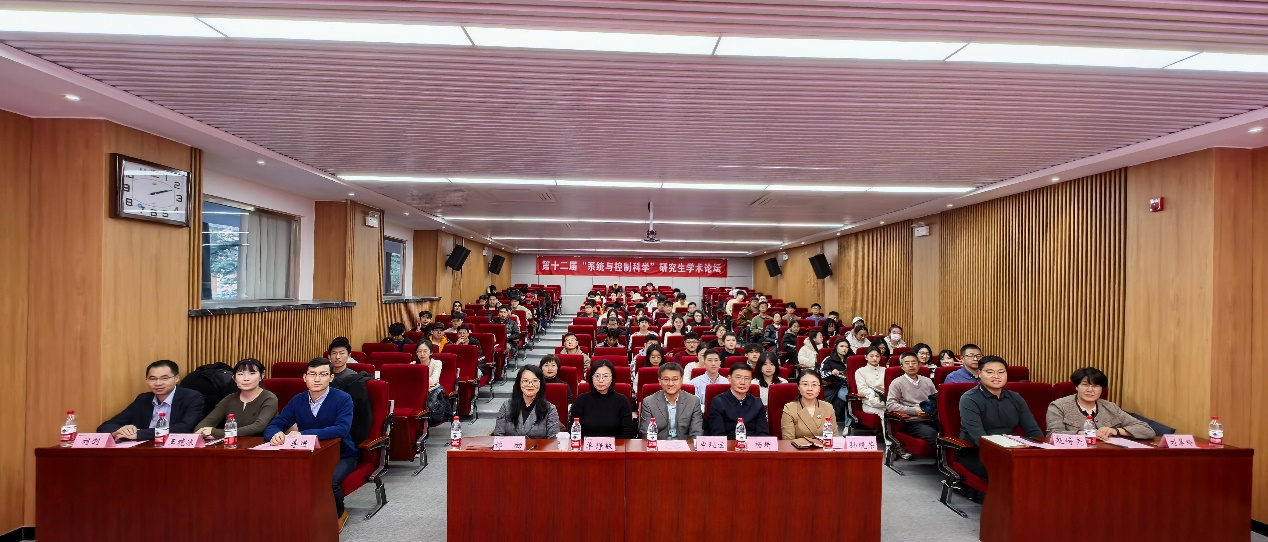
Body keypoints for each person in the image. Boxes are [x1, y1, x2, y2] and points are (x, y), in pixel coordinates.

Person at [264, 358, 356, 528]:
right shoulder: (298, 400)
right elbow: (277, 423)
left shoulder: (343, 399)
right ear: (305, 377)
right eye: (312, 374)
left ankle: (339, 513)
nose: (317, 379)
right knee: (281, 477)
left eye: (323, 374)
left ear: (331, 378)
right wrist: (275, 434)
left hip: (341, 454)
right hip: (307, 453)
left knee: (329, 481)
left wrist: (302, 434)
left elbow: (342, 429)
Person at [958, 356, 1044, 481]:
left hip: (1011, 450)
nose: (996, 376)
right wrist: (1007, 451)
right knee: (1012, 471)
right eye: (990, 372)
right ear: (980, 373)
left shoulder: (1015, 397)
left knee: (1045, 467)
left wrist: (1042, 450)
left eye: (1001, 372)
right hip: (978, 452)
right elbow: (978, 437)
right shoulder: (969, 399)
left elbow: (1033, 429)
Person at [98, 360, 204, 441]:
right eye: (152, 379)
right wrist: (119, 431)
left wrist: (140, 434)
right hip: (143, 448)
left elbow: (185, 427)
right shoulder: (143, 399)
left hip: (174, 449)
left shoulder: (192, 397)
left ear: (176, 378)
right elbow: (106, 426)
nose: (158, 383)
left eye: (164, 378)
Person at [1046, 367, 1154, 439]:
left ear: (1102, 389)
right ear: (1076, 387)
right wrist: (1088, 433)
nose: (1090, 390)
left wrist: (1116, 431)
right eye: (1085, 385)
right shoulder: (1058, 406)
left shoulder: (1110, 407)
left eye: (1096, 386)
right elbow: (1052, 435)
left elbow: (1147, 430)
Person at [193, 358, 278, 439]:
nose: (246, 379)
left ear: (261, 376)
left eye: (252, 373)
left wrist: (217, 432)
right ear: (234, 378)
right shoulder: (229, 399)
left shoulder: (269, 398)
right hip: (232, 444)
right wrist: (201, 431)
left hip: (260, 444)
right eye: (240, 374)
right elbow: (206, 423)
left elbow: (258, 427)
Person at [885, 352, 938, 457]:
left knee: (951, 434)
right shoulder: (897, 383)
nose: (911, 365)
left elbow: (936, 399)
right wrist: (914, 411)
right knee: (934, 435)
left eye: (914, 362)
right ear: (902, 366)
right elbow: (890, 405)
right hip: (913, 421)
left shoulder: (927, 381)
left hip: (933, 417)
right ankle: (942, 462)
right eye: (907, 363)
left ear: (919, 365)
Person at [569, 360, 636, 438]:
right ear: (591, 378)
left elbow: (627, 433)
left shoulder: (622, 401)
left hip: (616, 445)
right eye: (596, 376)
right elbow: (574, 431)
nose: (601, 380)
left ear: (612, 378)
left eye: (605, 376)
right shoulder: (581, 400)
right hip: (586, 445)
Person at [638, 363, 703, 440]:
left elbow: (696, 432)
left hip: (684, 445)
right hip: (659, 445)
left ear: (682, 380)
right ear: (659, 380)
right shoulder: (649, 402)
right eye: (666, 379)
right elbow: (647, 433)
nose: (670, 384)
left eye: (675, 379)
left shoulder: (693, 401)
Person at [327, 339, 373, 444]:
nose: (337, 357)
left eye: (341, 353)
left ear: (349, 356)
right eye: (334, 353)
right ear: (329, 356)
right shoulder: (323, 376)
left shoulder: (355, 379)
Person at [494, 366, 560, 438]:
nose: (530, 385)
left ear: (541, 384)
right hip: (510, 445)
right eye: (525, 381)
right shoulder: (506, 406)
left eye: (535, 381)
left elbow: (553, 439)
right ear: (519, 383)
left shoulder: (550, 409)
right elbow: (498, 436)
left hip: (539, 445)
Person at [706, 363, 770, 438]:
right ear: (729, 379)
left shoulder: (757, 403)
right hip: (728, 444)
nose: (742, 382)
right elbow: (718, 435)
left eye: (747, 378)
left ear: (751, 381)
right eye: (738, 377)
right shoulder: (718, 402)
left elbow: (763, 433)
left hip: (752, 444)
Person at [781, 370, 838, 440]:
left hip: (825, 447)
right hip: (798, 447)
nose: (810, 389)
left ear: (820, 388)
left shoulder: (828, 407)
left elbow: (835, 438)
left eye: (814, 385)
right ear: (798, 387)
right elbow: (788, 441)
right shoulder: (789, 408)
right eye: (805, 384)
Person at [820, 337, 851, 424]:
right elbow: (822, 374)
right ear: (836, 346)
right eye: (842, 346)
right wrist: (831, 372)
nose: (844, 349)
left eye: (846, 347)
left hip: (851, 385)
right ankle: (848, 425)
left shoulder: (851, 359)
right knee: (849, 398)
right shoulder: (829, 359)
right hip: (836, 387)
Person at [854, 345, 887, 415]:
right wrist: (874, 395)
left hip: (886, 400)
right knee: (883, 414)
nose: (874, 358)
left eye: (877, 356)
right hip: (869, 402)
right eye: (871, 356)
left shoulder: (885, 370)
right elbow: (862, 389)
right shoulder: (860, 371)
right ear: (866, 357)